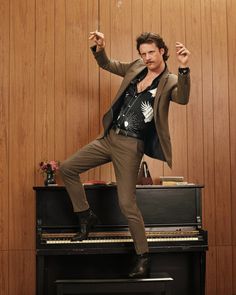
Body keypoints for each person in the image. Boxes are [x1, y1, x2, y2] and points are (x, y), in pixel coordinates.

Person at [59, 31, 190, 278]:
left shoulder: (170, 80)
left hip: (131, 146)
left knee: (127, 203)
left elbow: (182, 98)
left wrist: (184, 69)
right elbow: (107, 64)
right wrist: (100, 48)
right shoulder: (137, 67)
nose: (147, 57)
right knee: (67, 168)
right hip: (110, 137)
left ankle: (143, 256)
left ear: (162, 51)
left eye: (151, 52)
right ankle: (86, 216)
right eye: (143, 53)